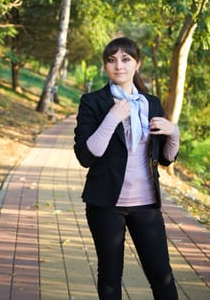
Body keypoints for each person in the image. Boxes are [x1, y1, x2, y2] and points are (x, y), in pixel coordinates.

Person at [74, 37, 179, 300]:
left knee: (162, 275)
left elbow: (165, 159)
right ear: (105, 66)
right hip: (105, 203)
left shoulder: (150, 103)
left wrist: (174, 133)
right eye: (111, 60)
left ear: (137, 64)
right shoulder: (92, 102)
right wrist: (111, 118)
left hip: (146, 203)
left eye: (125, 59)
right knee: (110, 274)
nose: (118, 66)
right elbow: (86, 156)